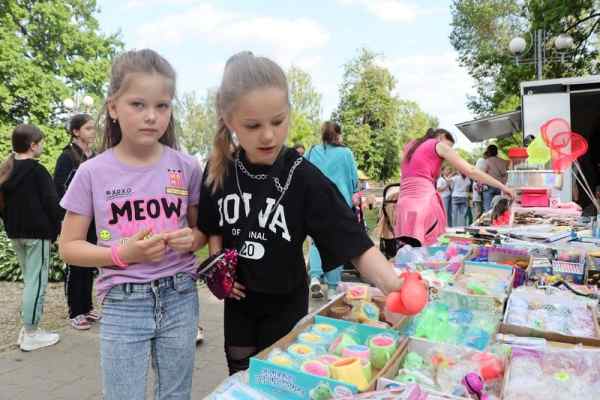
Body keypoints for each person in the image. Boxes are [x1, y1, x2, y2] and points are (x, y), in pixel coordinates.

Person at [197, 51, 405, 376]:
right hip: (240, 303)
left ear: (289, 113)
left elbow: (351, 239)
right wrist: (220, 273)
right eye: (252, 125)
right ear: (229, 120)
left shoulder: (304, 177)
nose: (268, 135)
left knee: (280, 378)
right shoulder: (219, 169)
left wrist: (393, 283)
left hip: (285, 301)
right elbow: (212, 226)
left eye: (278, 121)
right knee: (240, 376)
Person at [58, 49, 206, 400]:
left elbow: (202, 232)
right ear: (113, 107)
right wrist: (123, 253)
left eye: (162, 106)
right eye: (138, 104)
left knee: (176, 394)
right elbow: (69, 247)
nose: (151, 117)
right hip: (124, 303)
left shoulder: (186, 167)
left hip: (180, 296)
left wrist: (192, 239)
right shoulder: (91, 172)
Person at [394, 128, 515, 247]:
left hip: (403, 205)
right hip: (424, 204)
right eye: (449, 146)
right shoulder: (438, 145)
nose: (449, 151)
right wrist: (503, 187)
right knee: (430, 251)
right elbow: (471, 171)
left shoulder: (411, 146)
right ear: (441, 137)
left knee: (409, 254)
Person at [0, 124, 62, 351]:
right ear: (32, 145)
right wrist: (58, 230)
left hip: (16, 234)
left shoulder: (6, 169)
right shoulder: (37, 171)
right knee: (37, 283)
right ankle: (31, 332)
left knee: (30, 281)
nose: (43, 146)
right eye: (41, 142)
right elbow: (52, 205)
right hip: (38, 234)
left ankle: (27, 329)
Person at [54, 113, 100, 330]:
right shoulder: (67, 157)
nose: (93, 131)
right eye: (89, 128)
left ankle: (87, 306)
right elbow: (59, 189)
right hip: (75, 218)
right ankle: (75, 311)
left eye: (94, 128)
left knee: (89, 263)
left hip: (95, 220)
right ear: (76, 131)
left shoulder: (96, 156)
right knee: (75, 266)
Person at [305, 121, 359, 299]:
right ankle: (332, 288)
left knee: (316, 241)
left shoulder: (312, 151)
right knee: (337, 244)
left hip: (315, 202)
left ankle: (314, 277)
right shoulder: (346, 153)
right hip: (339, 203)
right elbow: (353, 180)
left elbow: (303, 173)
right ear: (338, 135)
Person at [481, 144, 509, 212]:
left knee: (488, 207)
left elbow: (483, 173)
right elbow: (506, 174)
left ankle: (489, 221)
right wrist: (503, 183)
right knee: (499, 206)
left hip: (489, 186)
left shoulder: (487, 161)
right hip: (500, 186)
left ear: (489, 152)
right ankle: (497, 220)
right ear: (496, 152)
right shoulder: (503, 161)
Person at [471, 157, 486, 221]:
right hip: (477, 199)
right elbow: (479, 190)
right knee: (478, 213)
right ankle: (474, 226)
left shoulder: (476, 179)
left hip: (478, 199)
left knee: (479, 213)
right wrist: (485, 188)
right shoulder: (476, 180)